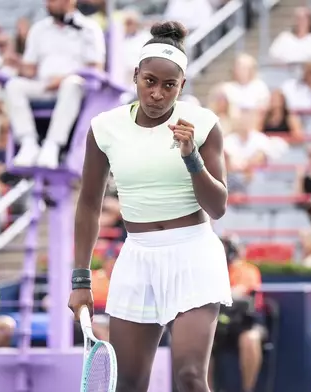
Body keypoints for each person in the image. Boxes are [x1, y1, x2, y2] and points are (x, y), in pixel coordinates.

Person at [68, 21, 232, 392]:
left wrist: (192, 158)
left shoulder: (203, 124)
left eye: (169, 85)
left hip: (194, 254)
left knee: (190, 377)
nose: (158, 93)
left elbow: (218, 206)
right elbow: (89, 203)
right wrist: (81, 279)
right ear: (136, 77)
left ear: (182, 86)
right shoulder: (104, 127)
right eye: (150, 81)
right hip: (137, 258)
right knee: (128, 383)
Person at [5, 0, 105, 169]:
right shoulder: (38, 29)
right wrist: (16, 63)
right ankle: (28, 143)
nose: (48, 4)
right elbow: (30, 69)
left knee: (71, 84)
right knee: (13, 85)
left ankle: (53, 145)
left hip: (77, 85)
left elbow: (96, 67)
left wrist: (65, 77)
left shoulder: (90, 28)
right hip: (43, 85)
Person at [212, 236, 266, 392]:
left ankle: (247, 389)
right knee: (200, 342)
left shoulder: (246, 269)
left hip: (246, 323)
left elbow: (239, 292)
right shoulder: (211, 270)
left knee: (250, 339)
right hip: (218, 325)